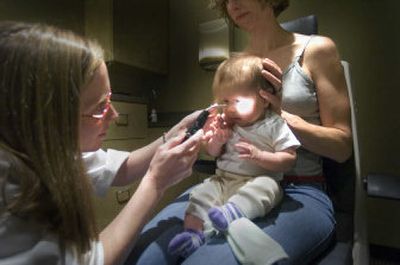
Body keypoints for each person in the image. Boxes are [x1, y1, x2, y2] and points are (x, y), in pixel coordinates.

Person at [126, 0, 352, 264]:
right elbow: (221, 143)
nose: (232, 3)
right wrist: (216, 137)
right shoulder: (233, 67)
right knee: (142, 256)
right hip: (229, 181)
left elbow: (342, 147)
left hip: (300, 190)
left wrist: (282, 116)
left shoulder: (317, 50)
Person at [0, 21, 205, 265]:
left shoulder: (47, 147)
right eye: (100, 107)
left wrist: (175, 133)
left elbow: (121, 168)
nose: (114, 115)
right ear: (47, 118)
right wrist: (155, 183)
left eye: (109, 100)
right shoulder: (9, 190)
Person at [167, 54, 300, 259]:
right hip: (223, 180)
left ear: (265, 100)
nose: (229, 108)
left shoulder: (274, 124)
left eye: (238, 101)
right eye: (225, 101)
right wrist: (218, 141)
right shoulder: (227, 124)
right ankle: (193, 234)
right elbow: (212, 153)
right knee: (200, 194)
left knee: (267, 188)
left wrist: (260, 156)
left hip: (256, 180)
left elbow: (289, 158)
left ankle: (231, 213)